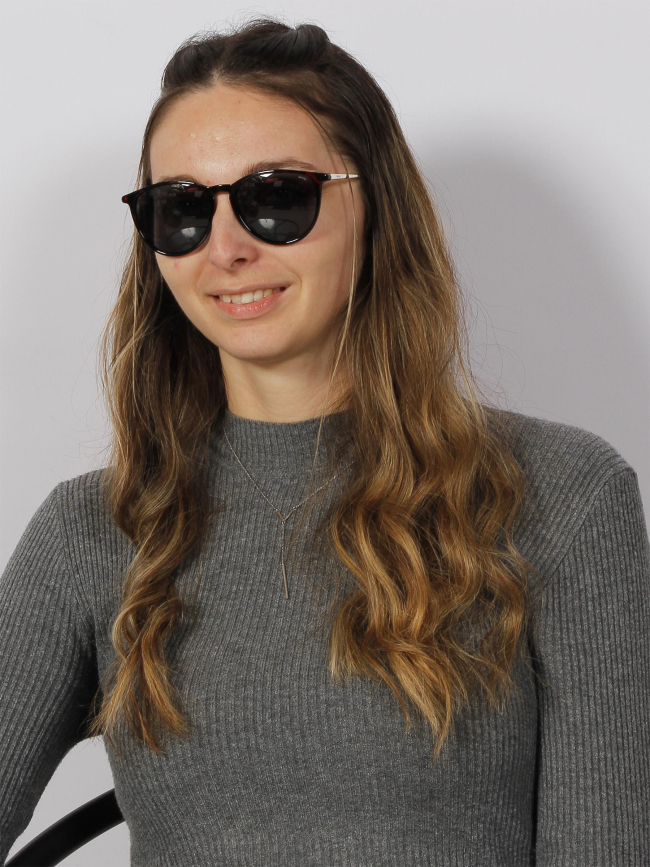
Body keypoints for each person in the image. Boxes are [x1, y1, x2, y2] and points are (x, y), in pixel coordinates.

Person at [1, 16, 648, 867]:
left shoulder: (560, 495)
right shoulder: (94, 529)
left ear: (374, 206)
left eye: (277, 197)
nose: (226, 248)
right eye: (182, 209)